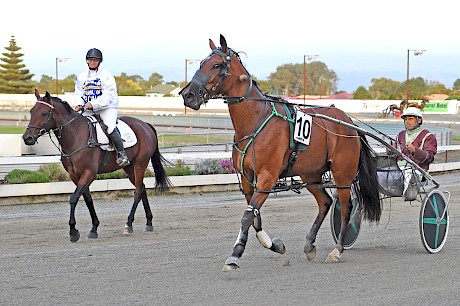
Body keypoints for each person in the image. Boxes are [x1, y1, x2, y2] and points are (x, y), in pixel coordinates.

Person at [74, 48, 129, 167]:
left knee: (109, 127)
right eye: (90, 60)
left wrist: (93, 104)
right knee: (77, 125)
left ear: (99, 61)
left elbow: (108, 96)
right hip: (88, 109)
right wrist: (79, 104)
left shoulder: (106, 76)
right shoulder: (81, 77)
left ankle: (122, 154)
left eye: (95, 60)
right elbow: (78, 93)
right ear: (87, 61)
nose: (92, 62)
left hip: (107, 107)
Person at [394, 107, 437, 200]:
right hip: (398, 169)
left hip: (418, 170)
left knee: (408, 174)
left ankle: (408, 190)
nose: (407, 121)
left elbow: (430, 157)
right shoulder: (400, 135)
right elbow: (394, 154)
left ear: (419, 120)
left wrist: (415, 151)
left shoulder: (428, 136)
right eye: (405, 119)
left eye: (410, 119)